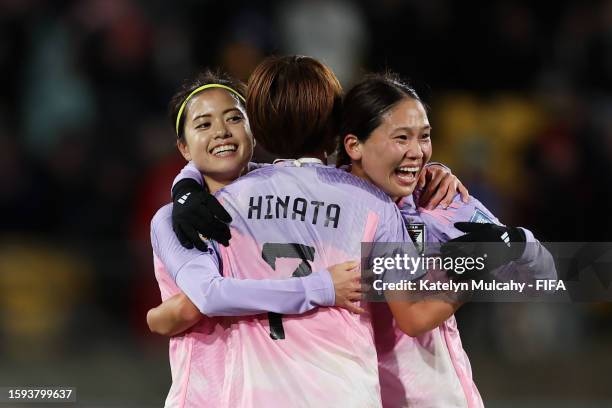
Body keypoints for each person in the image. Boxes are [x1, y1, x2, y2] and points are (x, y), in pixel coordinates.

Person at [149, 69, 369, 407]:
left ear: (256, 130)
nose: (221, 131)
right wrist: (321, 287)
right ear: (183, 146)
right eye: (203, 124)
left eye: (234, 118)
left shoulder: (290, 195)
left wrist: (430, 173)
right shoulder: (171, 218)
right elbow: (206, 296)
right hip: (203, 397)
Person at [337, 72, 556, 408]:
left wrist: (516, 242)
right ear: (354, 145)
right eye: (401, 138)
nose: (417, 152)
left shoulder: (443, 202)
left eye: (424, 137)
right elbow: (413, 318)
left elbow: (543, 279)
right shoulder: (328, 209)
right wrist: (471, 274)